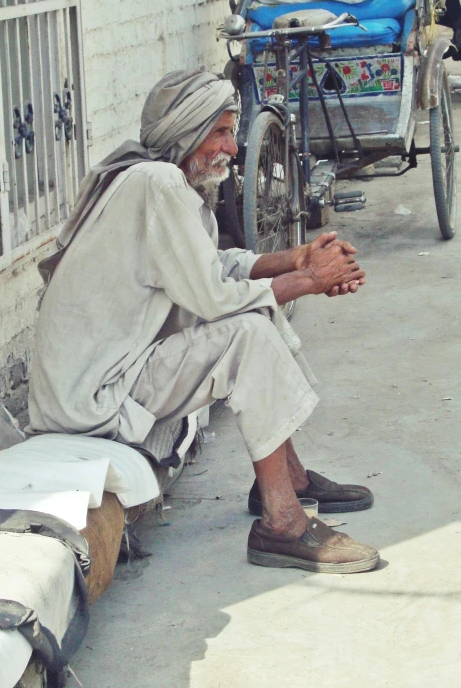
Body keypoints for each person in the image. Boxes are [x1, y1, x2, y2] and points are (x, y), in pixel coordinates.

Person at [28, 68, 379, 574]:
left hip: (110, 375)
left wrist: (298, 259)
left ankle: (287, 480)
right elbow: (215, 297)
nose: (232, 149)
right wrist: (311, 282)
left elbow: (213, 268)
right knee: (248, 332)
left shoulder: (159, 181)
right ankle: (282, 522)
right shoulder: (158, 184)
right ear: (186, 132)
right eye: (221, 131)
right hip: (92, 397)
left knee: (253, 314)